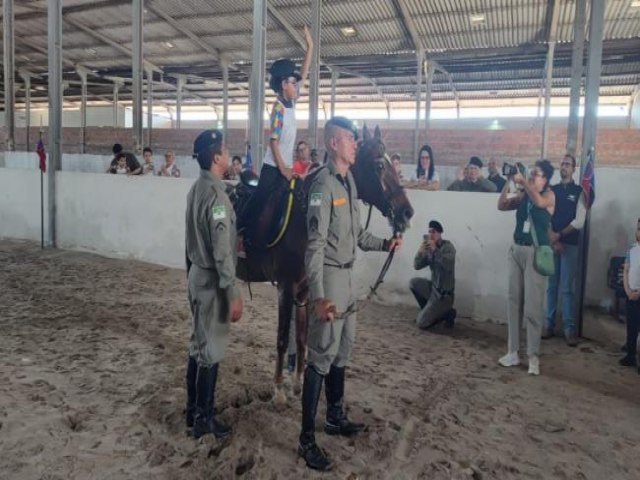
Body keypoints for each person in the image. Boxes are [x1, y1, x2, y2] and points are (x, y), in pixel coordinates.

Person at [299, 116, 401, 471]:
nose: (356, 144)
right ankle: (306, 440)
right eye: (350, 140)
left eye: (356, 140)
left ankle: (335, 416)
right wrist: (318, 296)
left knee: (343, 349)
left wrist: (386, 243)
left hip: (349, 276)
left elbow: (357, 235)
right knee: (321, 355)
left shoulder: (350, 184)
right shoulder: (322, 186)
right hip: (329, 277)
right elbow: (314, 247)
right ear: (333, 144)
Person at [184, 129, 243, 440]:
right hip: (211, 281)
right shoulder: (217, 196)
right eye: (225, 149)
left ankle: (192, 411)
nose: (229, 153)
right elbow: (221, 251)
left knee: (197, 345)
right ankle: (204, 418)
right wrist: (231, 292)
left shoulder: (196, 189)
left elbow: (189, 238)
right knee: (212, 350)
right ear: (217, 157)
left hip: (196, 274)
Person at [239, 27, 313, 238]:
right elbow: (273, 142)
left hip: (286, 166)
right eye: (292, 82)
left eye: (295, 82)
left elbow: (304, 74)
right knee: (260, 200)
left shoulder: (291, 103)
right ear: (283, 85)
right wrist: (284, 169)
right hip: (273, 167)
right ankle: (241, 232)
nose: (296, 85)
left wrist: (310, 47)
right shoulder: (279, 108)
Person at [497, 160, 555, 376]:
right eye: (530, 173)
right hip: (517, 250)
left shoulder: (549, 197)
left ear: (546, 179)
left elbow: (539, 202)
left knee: (532, 306)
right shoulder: (523, 196)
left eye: (536, 174)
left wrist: (523, 182)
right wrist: (509, 182)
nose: (531, 177)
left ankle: (533, 355)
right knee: (514, 302)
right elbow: (502, 205)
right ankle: (512, 351)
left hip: (535, 253)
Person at [543, 154, 586, 346]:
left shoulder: (580, 192)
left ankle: (569, 329)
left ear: (574, 169)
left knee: (567, 289)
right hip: (553, 244)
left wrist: (559, 236)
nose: (564, 167)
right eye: (562, 164)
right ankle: (548, 325)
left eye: (568, 164)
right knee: (551, 287)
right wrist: (553, 239)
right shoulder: (552, 190)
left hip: (570, 245)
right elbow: (545, 215)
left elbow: (579, 221)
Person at [409, 220, 457, 330]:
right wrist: (420, 252)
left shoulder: (448, 247)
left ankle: (447, 314)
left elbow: (447, 264)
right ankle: (427, 310)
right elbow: (417, 266)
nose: (431, 234)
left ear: (440, 234)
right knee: (413, 283)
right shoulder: (429, 248)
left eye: (434, 232)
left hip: (444, 296)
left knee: (421, 323)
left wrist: (435, 250)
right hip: (434, 290)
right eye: (429, 231)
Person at [619, 218, 640, 370]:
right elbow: (626, 270)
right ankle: (631, 355)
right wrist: (627, 290)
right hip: (631, 293)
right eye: (639, 229)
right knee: (632, 326)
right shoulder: (632, 250)